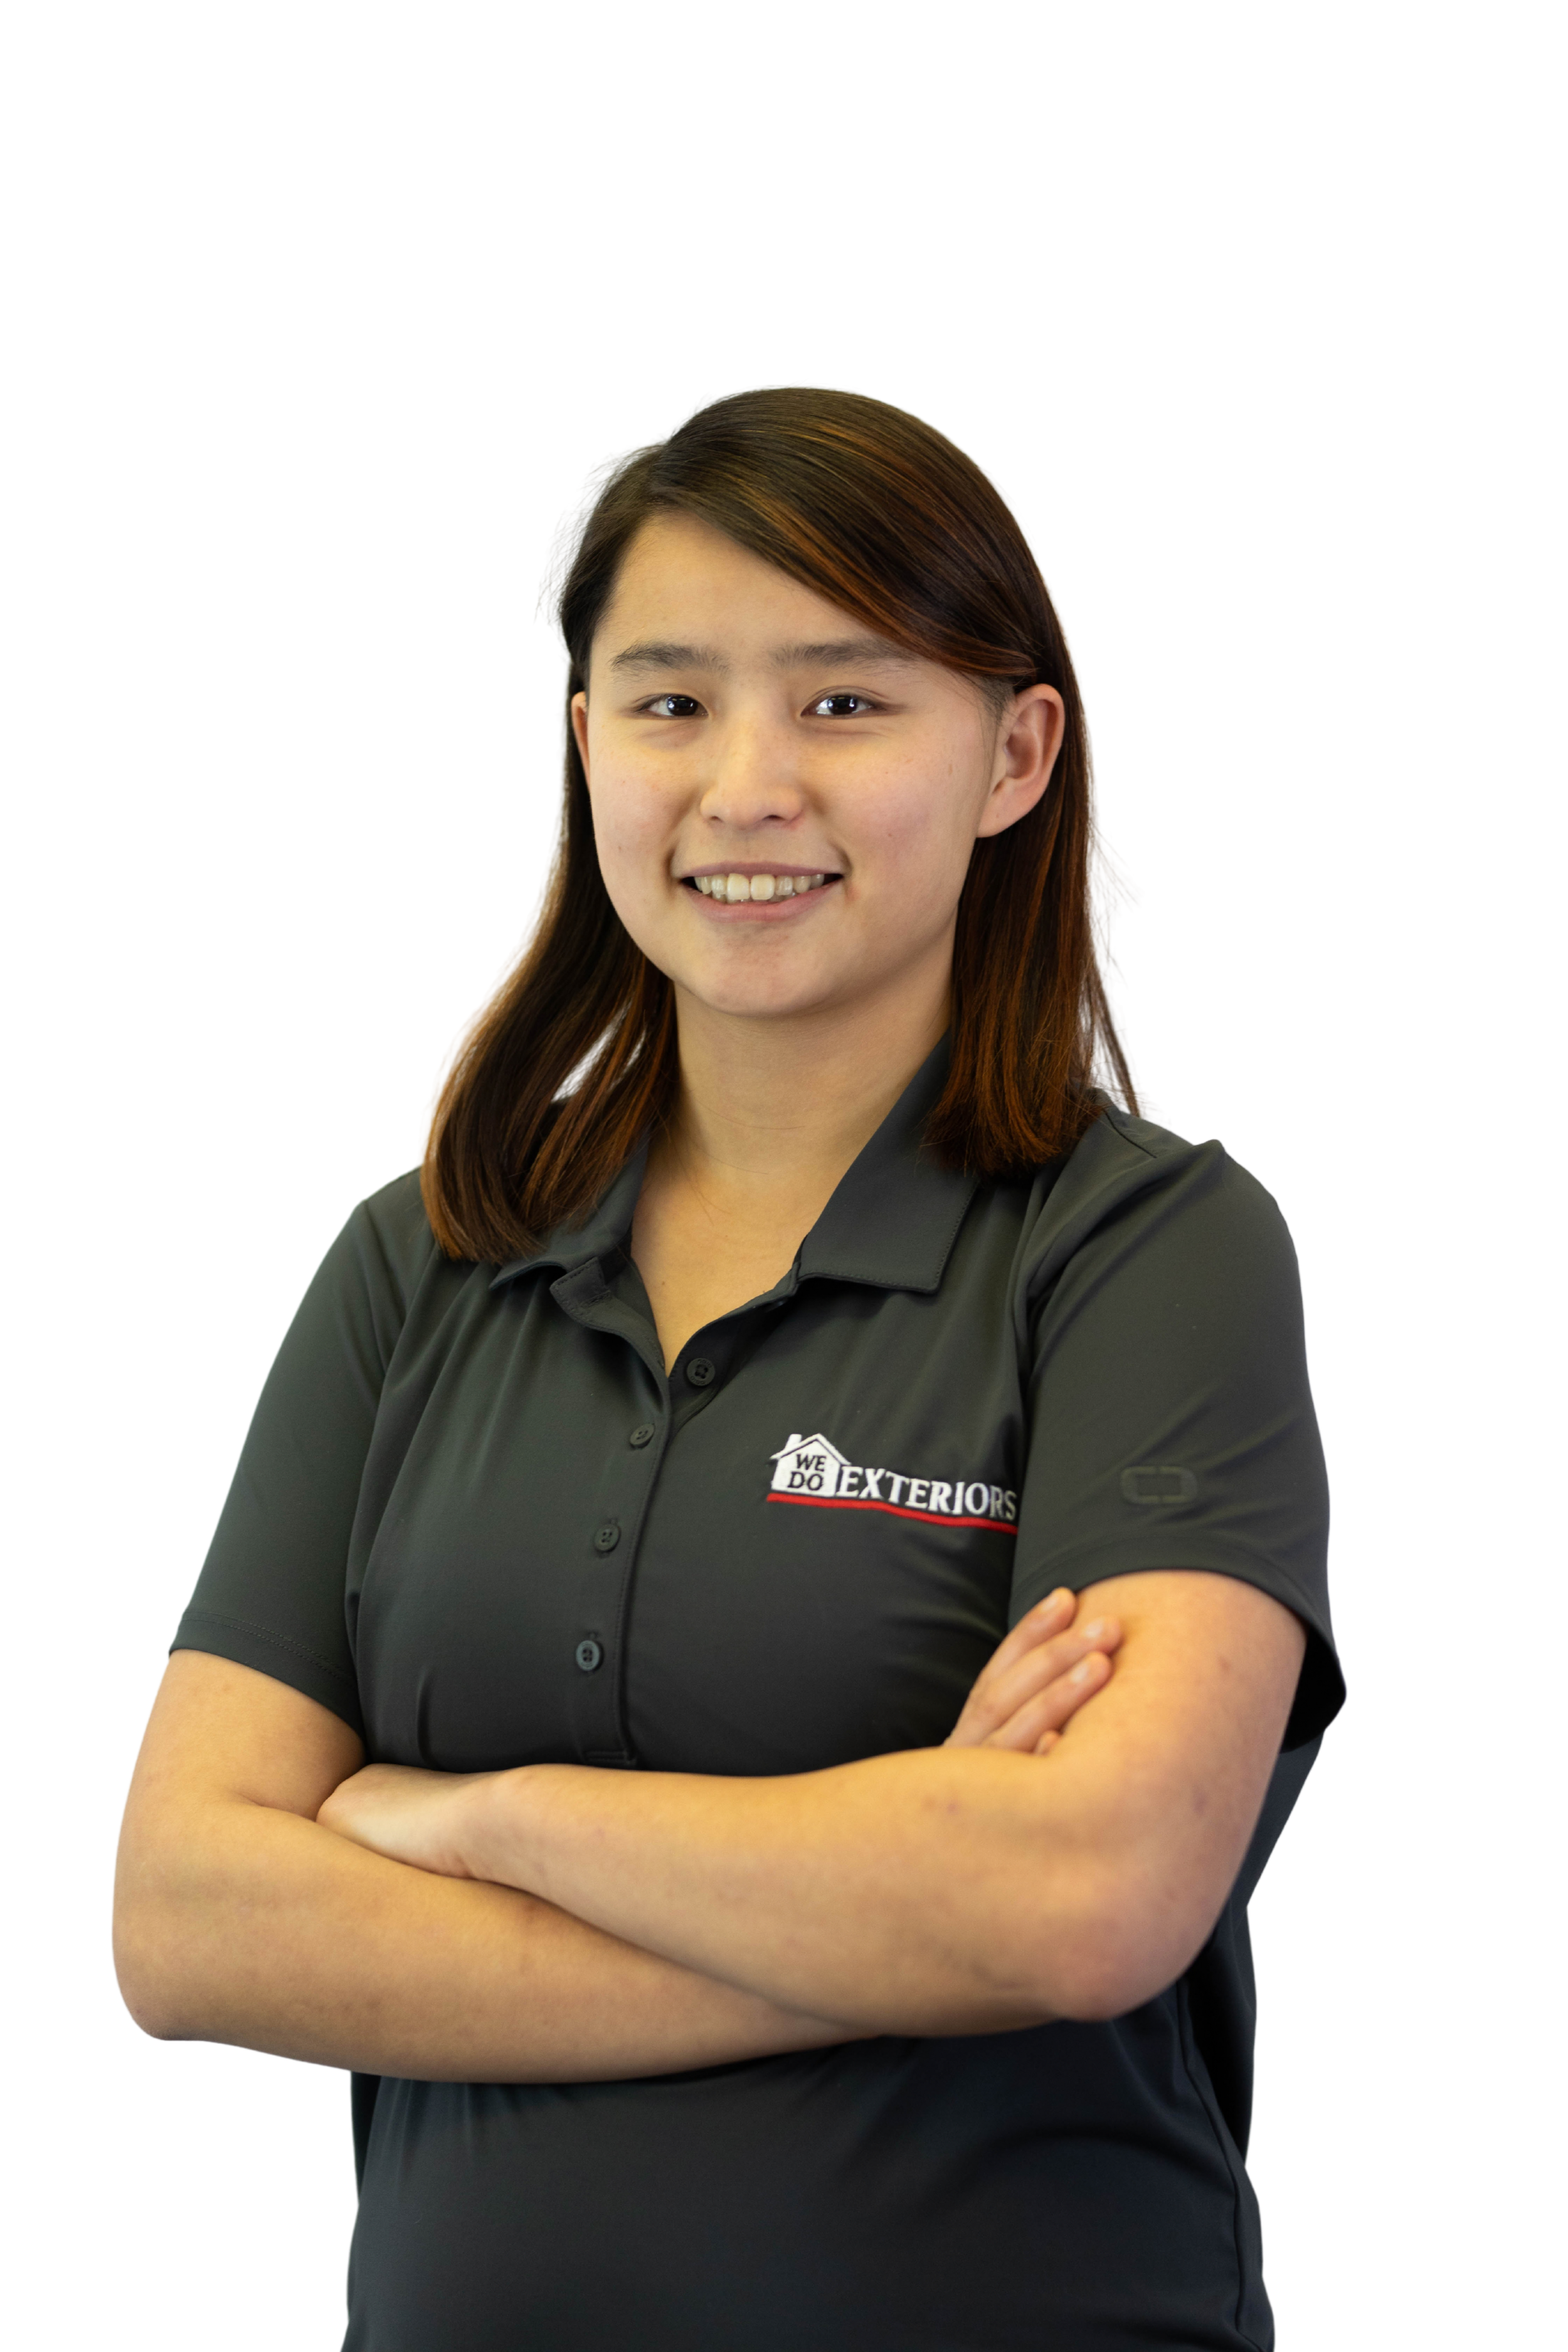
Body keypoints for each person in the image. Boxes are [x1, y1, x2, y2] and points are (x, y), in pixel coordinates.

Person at [112, 384, 1345, 2351]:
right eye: (672, 701)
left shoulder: (1143, 1251)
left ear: (1014, 752)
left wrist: (465, 1813)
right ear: (585, 742)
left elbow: (1089, 1897)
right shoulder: (422, 1260)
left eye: (845, 703)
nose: (746, 783)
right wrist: (892, 1882)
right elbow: (182, 1920)